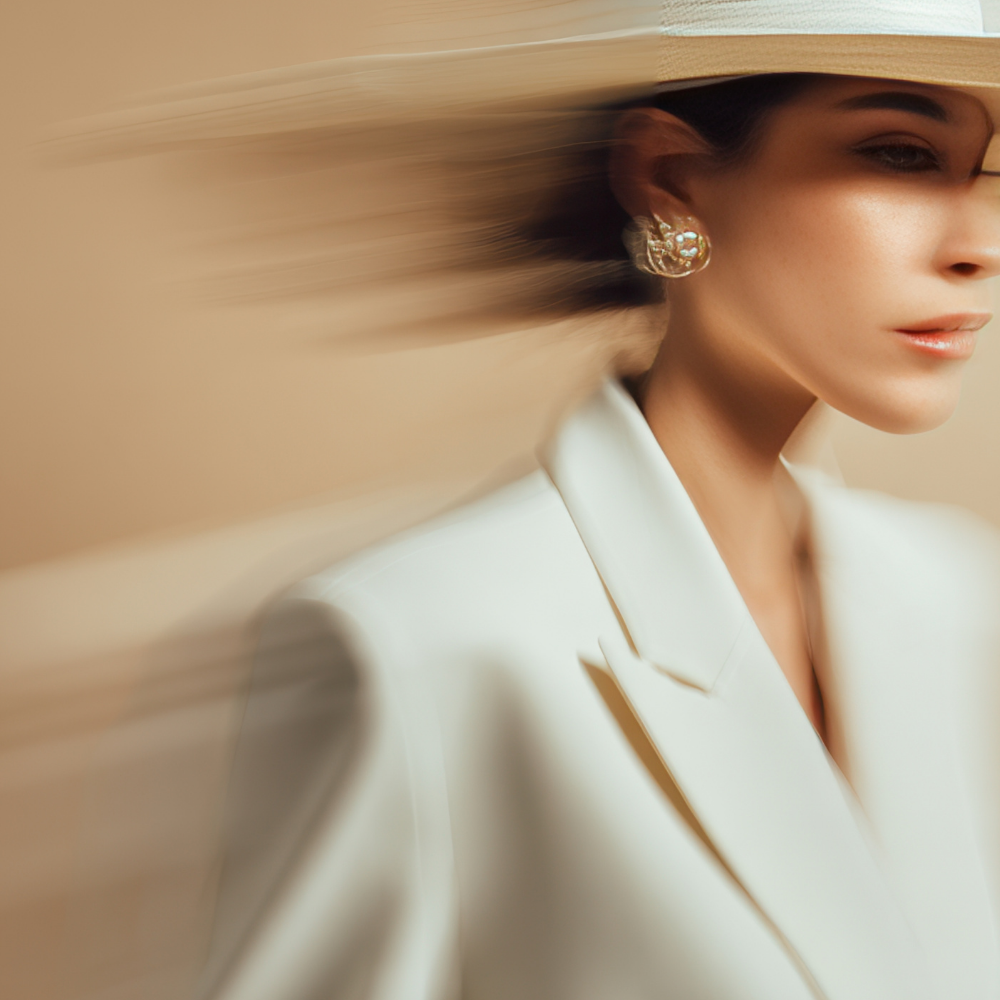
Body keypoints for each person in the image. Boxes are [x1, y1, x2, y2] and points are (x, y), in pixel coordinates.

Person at [196, 2, 1000, 998]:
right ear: (670, 176)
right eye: (898, 152)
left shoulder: (955, 593)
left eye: (982, 171)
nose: (977, 244)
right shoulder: (413, 647)